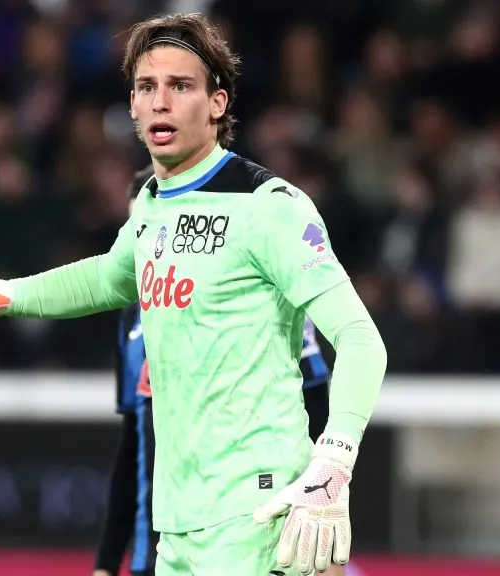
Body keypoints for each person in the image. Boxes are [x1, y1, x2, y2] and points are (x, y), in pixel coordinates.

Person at [0, 12, 387, 575]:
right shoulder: (152, 208)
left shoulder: (271, 206)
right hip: (178, 524)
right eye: (147, 87)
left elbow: (361, 338)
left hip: (257, 515)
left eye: (180, 86)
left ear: (217, 104)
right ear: (133, 107)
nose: (160, 101)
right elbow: (105, 277)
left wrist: (332, 463)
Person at [93, 167, 340, 576]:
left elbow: (317, 404)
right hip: (162, 541)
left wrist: (321, 499)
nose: (150, 246)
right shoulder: (131, 321)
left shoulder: (263, 293)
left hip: (245, 519)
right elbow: (133, 444)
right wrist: (105, 562)